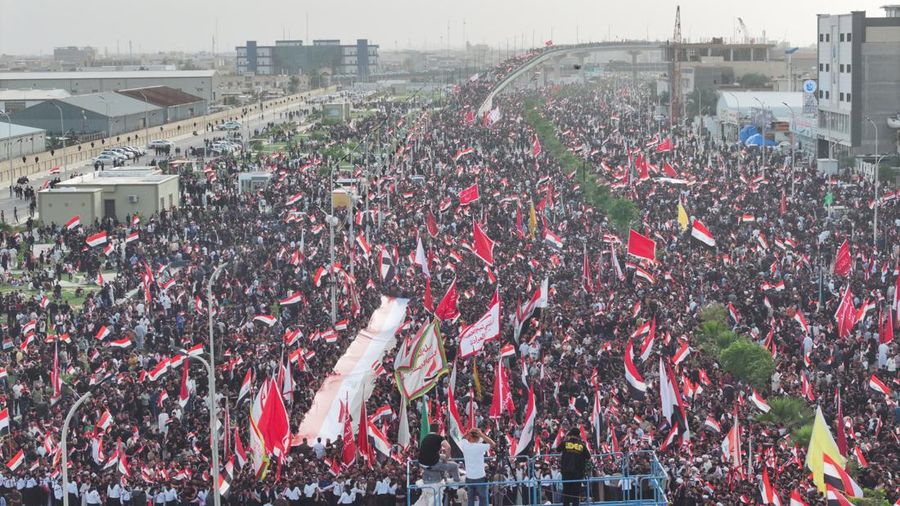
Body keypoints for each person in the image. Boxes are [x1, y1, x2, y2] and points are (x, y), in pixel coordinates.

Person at [459, 427, 495, 506]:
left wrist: (469, 432)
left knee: (470, 500)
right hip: (480, 478)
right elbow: (493, 444)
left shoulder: (464, 445)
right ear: (478, 437)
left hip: (469, 477)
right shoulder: (480, 447)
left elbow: (462, 438)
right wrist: (482, 435)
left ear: (470, 436)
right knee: (483, 499)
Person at [557, 428, 590, 506]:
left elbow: (558, 449)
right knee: (575, 494)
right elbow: (588, 456)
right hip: (578, 473)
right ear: (578, 436)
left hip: (566, 472)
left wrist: (565, 439)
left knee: (566, 494)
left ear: (570, 434)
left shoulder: (565, 443)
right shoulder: (582, 445)